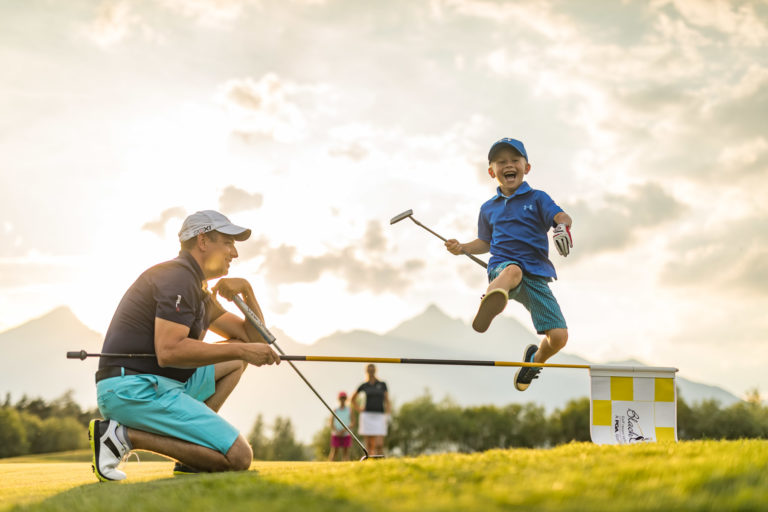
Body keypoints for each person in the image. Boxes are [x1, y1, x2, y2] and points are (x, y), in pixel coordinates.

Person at [89, 210, 281, 482]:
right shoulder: (177, 278)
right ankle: (124, 436)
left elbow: (254, 339)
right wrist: (241, 350)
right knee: (239, 457)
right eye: (227, 243)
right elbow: (169, 351)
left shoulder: (197, 289)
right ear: (202, 241)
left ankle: (191, 457)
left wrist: (247, 291)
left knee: (236, 360)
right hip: (132, 388)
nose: (234, 253)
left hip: (159, 384)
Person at [445, 137, 573, 392]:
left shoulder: (537, 198)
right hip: (502, 268)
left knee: (559, 337)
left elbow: (561, 216)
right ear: (492, 172)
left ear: (527, 168)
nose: (509, 165)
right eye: (501, 162)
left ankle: (534, 363)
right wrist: (462, 249)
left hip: (535, 274)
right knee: (512, 270)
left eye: (515, 160)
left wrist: (562, 226)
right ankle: (492, 300)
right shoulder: (488, 208)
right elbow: (484, 242)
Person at [350, 364, 390, 457]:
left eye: (372, 369)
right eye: (369, 370)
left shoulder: (382, 384)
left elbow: (387, 400)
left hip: (380, 415)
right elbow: (352, 399)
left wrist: (388, 414)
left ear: (375, 370)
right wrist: (359, 409)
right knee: (369, 444)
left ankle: (380, 462)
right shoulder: (364, 385)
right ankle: (371, 462)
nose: (371, 371)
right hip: (367, 416)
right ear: (366, 371)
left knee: (379, 444)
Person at [328, 391, 354, 461]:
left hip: (346, 434)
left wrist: (344, 430)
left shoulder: (349, 410)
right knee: (334, 452)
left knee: (346, 452)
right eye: (341, 398)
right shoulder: (335, 410)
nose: (342, 400)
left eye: (344, 398)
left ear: (346, 399)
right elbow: (331, 423)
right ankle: (330, 466)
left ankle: (347, 468)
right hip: (336, 434)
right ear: (339, 399)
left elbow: (353, 423)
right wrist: (337, 431)